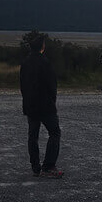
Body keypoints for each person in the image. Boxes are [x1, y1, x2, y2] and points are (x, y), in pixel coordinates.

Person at [20, 35, 63, 178]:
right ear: (42, 47)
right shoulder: (45, 63)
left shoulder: (25, 63)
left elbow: (22, 85)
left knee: (33, 136)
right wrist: (52, 101)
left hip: (30, 106)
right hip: (45, 107)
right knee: (55, 132)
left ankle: (36, 167)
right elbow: (52, 85)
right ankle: (49, 166)